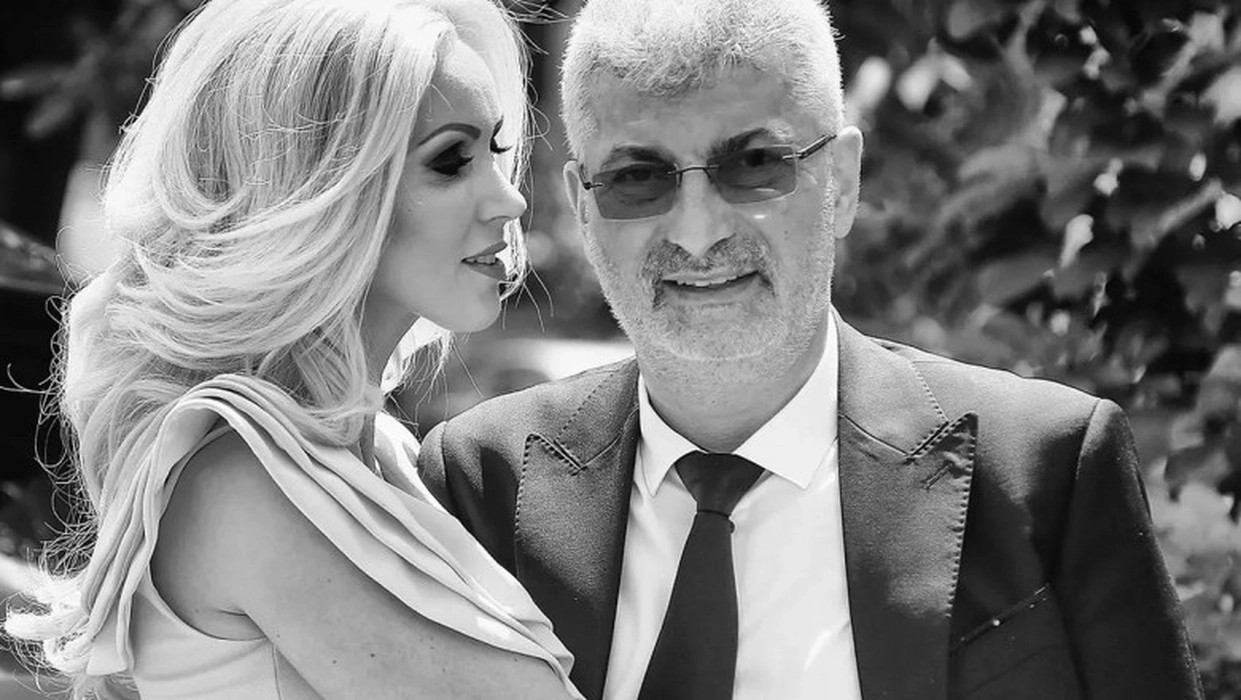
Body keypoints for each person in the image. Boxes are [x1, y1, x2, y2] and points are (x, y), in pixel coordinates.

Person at [416, 0, 1204, 698]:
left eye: (754, 164)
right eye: (638, 178)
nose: (698, 231)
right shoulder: (481, 483)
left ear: (843, 181)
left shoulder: (1047, 468)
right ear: (581, 208)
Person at [4, 0, 584, 698]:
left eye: (494, 151)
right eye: (450, 161)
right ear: (319, 188)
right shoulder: (242, 482)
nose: (509, 201)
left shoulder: (385, 455)